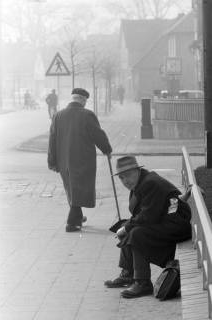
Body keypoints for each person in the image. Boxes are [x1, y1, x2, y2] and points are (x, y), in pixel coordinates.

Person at [104, 155, 192, 299]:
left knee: (137, 233)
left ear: (137, 170)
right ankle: (128, 273)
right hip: (165, 220)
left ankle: (143, 282)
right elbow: (144, 214)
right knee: (128, 227)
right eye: (121, 178)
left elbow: (148, 216)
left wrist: (126, 228)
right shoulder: (141, 182)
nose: (125, 181)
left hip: (176, 224)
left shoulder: (150, 183)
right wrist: (125, 227)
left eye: (128, 175)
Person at [47, 88, 112, 232]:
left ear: (72, 98)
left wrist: (52, 161)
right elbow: (97, 135)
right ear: (83, 100)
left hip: (64, 160)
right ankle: (72, 223)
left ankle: (78, 216)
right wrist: (107, 149)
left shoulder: (58, 115)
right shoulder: (87, 115)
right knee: (79, 188)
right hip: (83, 158)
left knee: (71, 187)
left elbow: (52, 139)